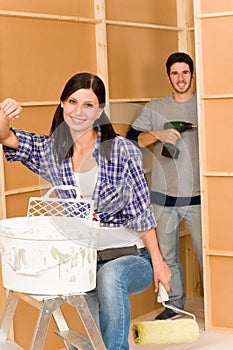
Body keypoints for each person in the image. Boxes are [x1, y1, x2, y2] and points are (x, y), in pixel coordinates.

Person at [0, 72, 171, 350]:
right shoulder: (51, 151)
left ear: (100, 110)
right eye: (73, 102)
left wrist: (159, 262)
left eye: (88, 105)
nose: (79, 111)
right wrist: (4, 112)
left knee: (110, 276)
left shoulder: (122, 151)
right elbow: (5, 136)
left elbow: (142, 212)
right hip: (85, 262)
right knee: (98, 333)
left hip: (131, 257)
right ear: (62, 105)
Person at [127, 52, 203, 320]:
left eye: (185, 72)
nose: (180, 78)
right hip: (161, 197)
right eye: (175, 73)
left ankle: (221, 307)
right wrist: (158, 134)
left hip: (197, 196)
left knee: (206, 254)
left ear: (192, 75)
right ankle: (173, 307)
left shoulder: (202, 104)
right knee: (167, 257)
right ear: (168, 76)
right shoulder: (155, 107)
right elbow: (132, 138)